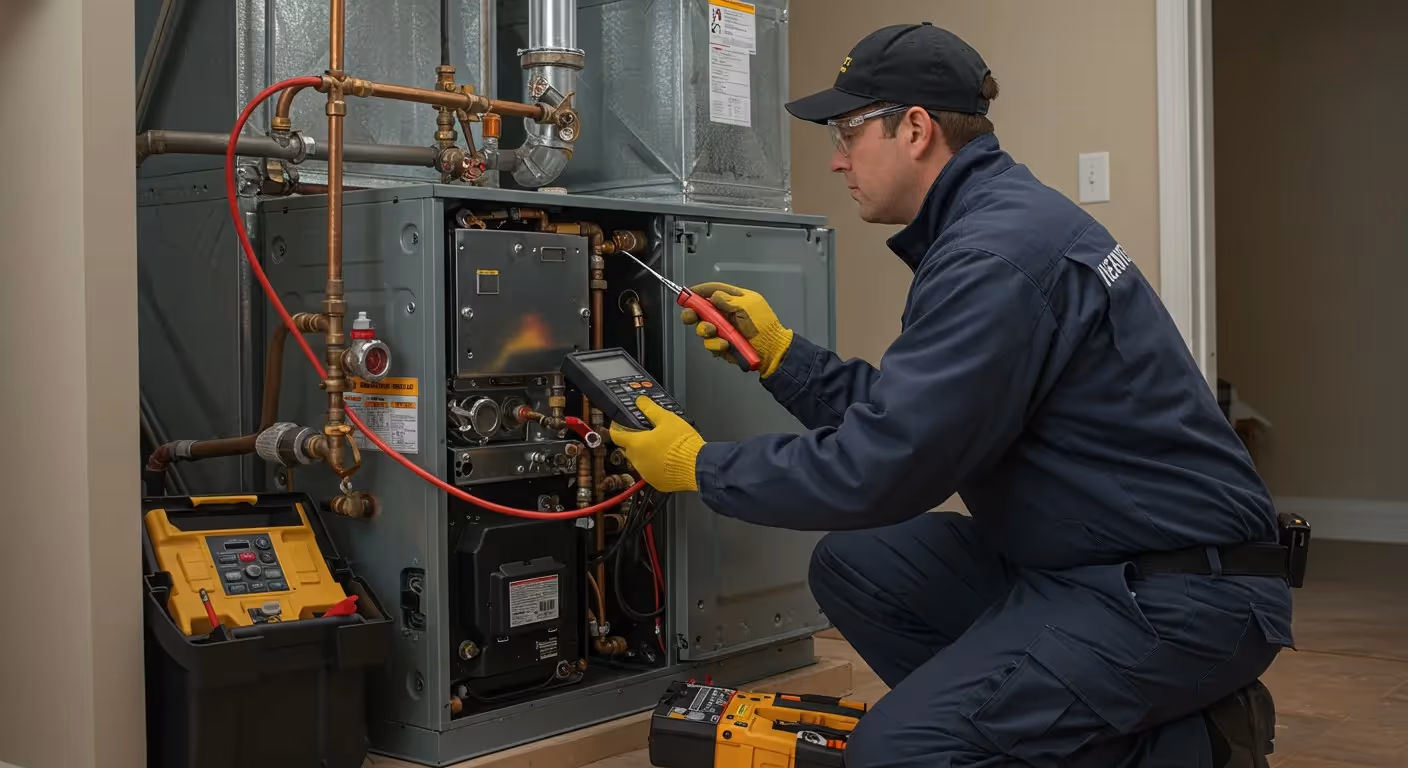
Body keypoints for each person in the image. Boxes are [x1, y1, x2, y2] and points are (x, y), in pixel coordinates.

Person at [609, 22, 1293, 768]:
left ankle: (1193, 748)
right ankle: (1053, 724)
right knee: (858, 564)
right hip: (1087, 560)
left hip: (1177, 597)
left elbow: (888, 467)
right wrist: (782, 358)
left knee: (898, 752)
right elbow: (925, 419)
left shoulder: (993, 256)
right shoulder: (992, 225)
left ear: (915, 128)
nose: (836, 161)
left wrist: (702, 467)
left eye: (847, 132)